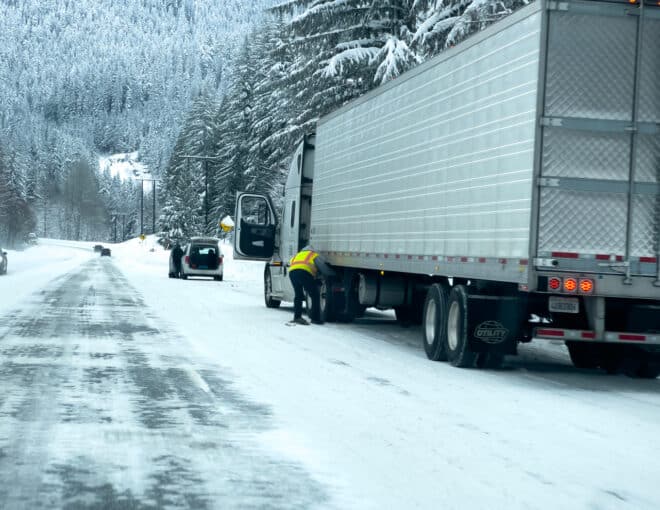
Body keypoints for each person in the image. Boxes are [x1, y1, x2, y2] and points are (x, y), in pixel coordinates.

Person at [288, 244, 333, 325]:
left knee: (298, 295)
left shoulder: (298, 255)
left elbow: (292, 264)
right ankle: (315, 318)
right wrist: (332, 274)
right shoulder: (313, 255)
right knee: (314, 295)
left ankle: (297, 317)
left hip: (292, 273)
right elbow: (324, 268)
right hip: (304, 273)